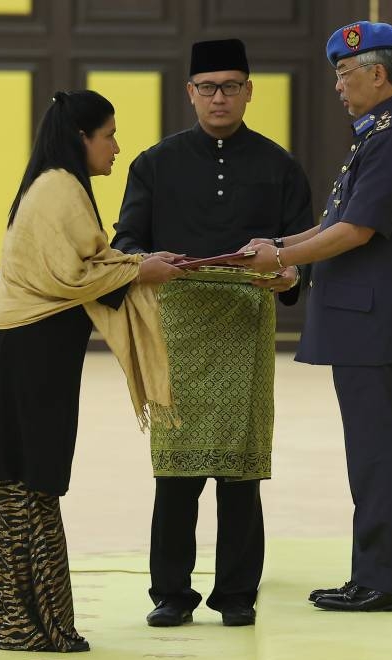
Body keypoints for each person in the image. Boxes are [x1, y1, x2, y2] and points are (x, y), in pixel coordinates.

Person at [0, 89, 183, 653]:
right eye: (108, 134)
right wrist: (140, 270)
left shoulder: (57, 184)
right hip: (21, 354)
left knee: (20, 487)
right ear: (80, 138)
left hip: (19, 351)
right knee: (24, 487)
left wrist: (137, 268)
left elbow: (87, 267)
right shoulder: (60, 187)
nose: (115, 146)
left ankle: (21, 623)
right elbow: (71, 277)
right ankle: (27, 626)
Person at [237, 21, 392, 612]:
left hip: (372, 322)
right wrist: (283, 248)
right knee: (369, 452)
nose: (337, 85)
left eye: (344, 73)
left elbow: (357, 230)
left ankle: (382, 581)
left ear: (377, 74)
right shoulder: (380, 132)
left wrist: (284, 255)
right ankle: (372, 573)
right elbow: (334, 223)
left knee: (376, 453)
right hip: (363, 317)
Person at [111, 38, 313, 627]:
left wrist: (289, 276)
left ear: (250, 91)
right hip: (176, 325)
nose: (219, 98)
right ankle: (171, 594)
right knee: (173, 470)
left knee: (240, 470)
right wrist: (148, 262)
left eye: (230, 86)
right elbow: (126, 243)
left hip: (246, 323)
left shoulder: (280, 166)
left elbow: (302, 247)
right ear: (189, 93)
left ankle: (236, 595)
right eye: (207, 87)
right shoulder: (154, 163)